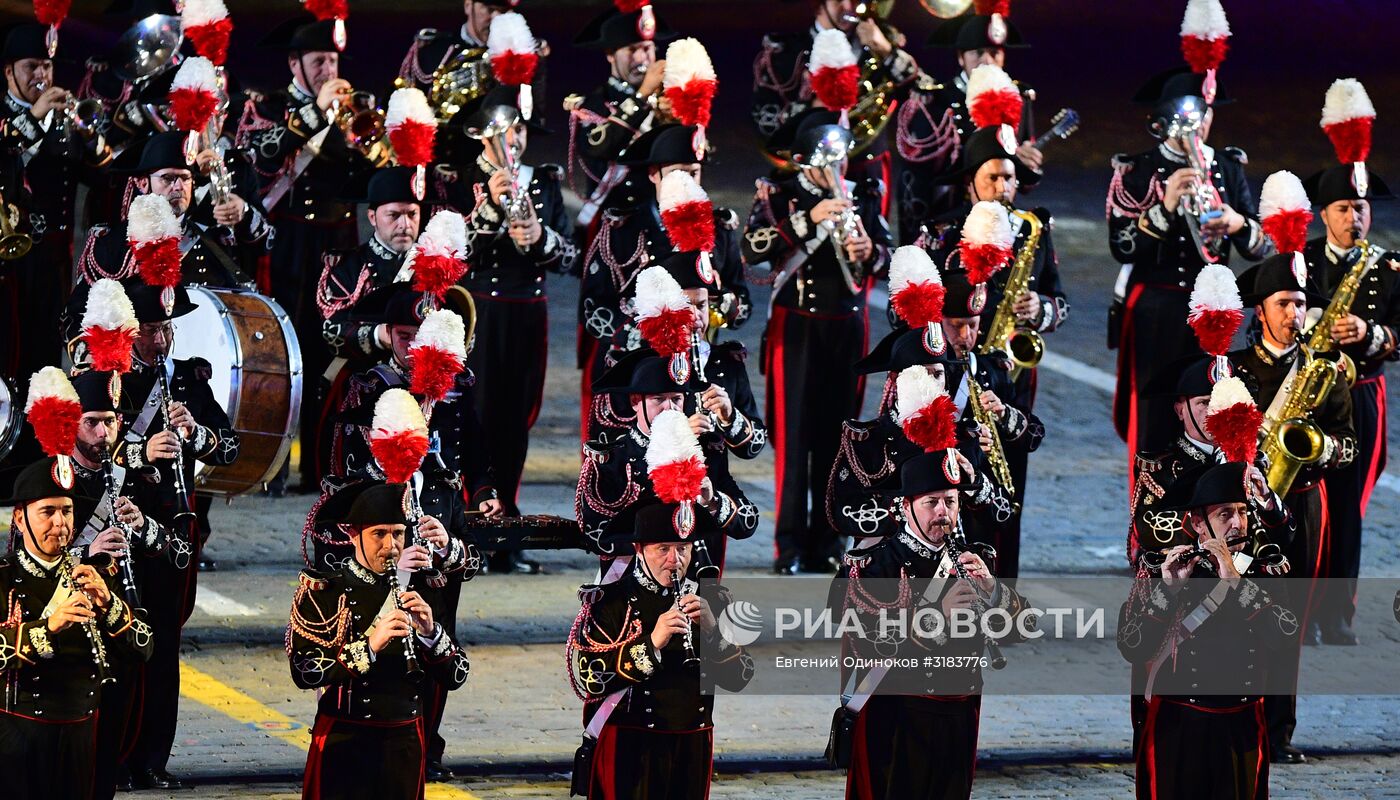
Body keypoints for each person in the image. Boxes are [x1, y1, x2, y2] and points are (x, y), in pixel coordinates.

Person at [101, 282, 240, 789]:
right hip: (123, 528)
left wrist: (195, 434)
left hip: (177, 534)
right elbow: (84, 452)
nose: (160, 340)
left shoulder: (186, 379)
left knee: (164, 644)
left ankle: (152, 757)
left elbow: (228, 447)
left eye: (166, 329)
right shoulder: (106, 379)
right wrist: (139, 452)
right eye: (150, 330)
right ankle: (112, 756)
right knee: (122, 641)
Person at [832, 448, 1029, 799]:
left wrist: (993, 591)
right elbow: (867, 644)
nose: (943, 513)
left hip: (960, 713)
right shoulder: (874, 564)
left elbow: (1023, 628)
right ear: (906, 506)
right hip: (897, 718)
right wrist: (936, 616)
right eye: (931, 502)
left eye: (951, 502)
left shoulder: (974, 557)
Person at [240, 15, 385, 493]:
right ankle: (272, 465)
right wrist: (313, 116)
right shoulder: (269, 106)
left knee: (332, 353)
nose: (328, 69)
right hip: (285, 244)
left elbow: (368, 177)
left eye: (334, 60)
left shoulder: (354, 109)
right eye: (319, 60)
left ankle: (322, 467)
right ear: (294, 63)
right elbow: (259, 157)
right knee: (282, 351)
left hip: (338, 245)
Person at [742, 108, 889, 574]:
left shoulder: (862, 194)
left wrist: (871, 252)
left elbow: (889, 253)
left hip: (847, 326)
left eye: (841, 159)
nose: (837, 169)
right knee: (794, 436)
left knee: (839, 438)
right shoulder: (779, 195)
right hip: (798, 327)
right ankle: (788, 547)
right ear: (806, 161)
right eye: (828, 159)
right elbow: (753, 249)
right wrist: (809, 219)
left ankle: (828, 541)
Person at [1229, 253, 1355, 763]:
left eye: (1301, 304)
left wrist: (1314, 446)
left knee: (1289, 618)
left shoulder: (1325, 372)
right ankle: (1234, 715)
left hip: (1303, 505)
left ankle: (1278, 729)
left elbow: (1348, 447)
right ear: (1260, 310)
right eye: (1283, 303)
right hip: (1242, 506)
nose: (1294, 314)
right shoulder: (1234, 370)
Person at [1106, 67, 1268, 462]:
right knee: (1156, 417)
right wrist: (1165, 208)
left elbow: (1259, 247)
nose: (1201, 123)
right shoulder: (1138, 169)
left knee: (1210, 409)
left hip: (1211, 309)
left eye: (1207, 112)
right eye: (1193, 113)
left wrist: (1237, 223)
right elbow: (1122, 246)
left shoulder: (1227, 167)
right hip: (1157, 310)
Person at [1117, 461, 1299, 798]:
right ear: (1199, 524)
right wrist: (1167, 592)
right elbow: (1133, 646)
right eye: (1224, 515)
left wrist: (1236, 582)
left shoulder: (1263, 571)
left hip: (1242, 726)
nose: (1236, 523)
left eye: (1242, 512)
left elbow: (1286, 639)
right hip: (1177, 725)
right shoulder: (1167, 568)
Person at [453, 85, 576, 572]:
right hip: (482, 312)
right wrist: (489, 210)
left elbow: (569, 256)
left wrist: (540, 236)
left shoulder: (543, 183)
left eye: (519, 129)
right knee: (476, 416)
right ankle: (472, 525)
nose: (513, 140)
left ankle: (506, 529)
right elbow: (451, 249)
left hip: (530, 311)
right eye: (504, 132)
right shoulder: (463, 181)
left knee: (516, 420)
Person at [288, 481, 470, 800]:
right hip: (345, 740)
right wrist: (370, 645)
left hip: (405, 742)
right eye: (379, 534)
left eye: (397, 534)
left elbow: (456, 675)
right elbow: (305, 671)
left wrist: (430, 634)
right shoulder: (325, 592)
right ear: (352, 534)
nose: (390, 546)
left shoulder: (420, 590)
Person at [566, 497, 754, 800]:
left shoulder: (712, 601)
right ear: (639, 550)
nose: (674, 560)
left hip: (692, 744)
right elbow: (590, 677)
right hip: (632, 744)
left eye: (683, 549)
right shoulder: (611, 601)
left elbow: (740, 677)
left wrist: (713, 630)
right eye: (662, 549)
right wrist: (651, 643)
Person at [0, 456, 154, 800]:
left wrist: (109, 605)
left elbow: (144, 647)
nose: (60, 524)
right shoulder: (3, 577)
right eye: (48, 512)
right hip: (17, 741)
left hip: (83, 739)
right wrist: (48, 627)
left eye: (67, 511)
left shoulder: (92, 575)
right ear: (20, 518)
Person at [579, 123, 750, 432]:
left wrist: (712, 305)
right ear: (653, 174)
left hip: (696, 376)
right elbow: (592, 311)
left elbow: (742, 304)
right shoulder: (624, 228)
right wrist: (655, 323)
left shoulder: (718, 230)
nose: (685, 181)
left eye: (693, 173)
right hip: (635, 376)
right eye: (676, 172)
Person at [65, 370, 178, 797]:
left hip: (119, 632)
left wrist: (142, 524)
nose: (103, 432)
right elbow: (27, 563)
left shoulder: (129, 478)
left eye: (110, 422)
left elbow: (169, 549)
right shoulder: (52, 482)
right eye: (92, 421)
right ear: (72, 421)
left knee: (110, 749)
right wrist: (90, 553)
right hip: (70, 635)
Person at [1299, 163, 1398, 646]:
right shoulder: (1301, 259)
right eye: (1343, 209)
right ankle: (1297, 607)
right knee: (1302, 502)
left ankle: (1337, 613)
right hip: (1308, 393)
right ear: (1324, 215)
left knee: (1347, 506)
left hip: (1359, 396)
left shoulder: (1389, 266)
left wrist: (1373, 333)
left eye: (1361, 209)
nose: (1354, 218)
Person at [579, 353, 759, 575]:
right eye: (658, 399)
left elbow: (747, 524)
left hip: (699, 586)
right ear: (636, 402)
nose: (670, 408)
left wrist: (712, 501)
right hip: (631, 589)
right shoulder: (613, 458)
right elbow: (595, 536)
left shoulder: (705, 453)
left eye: (676, 399)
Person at [0, 24, 111, 383]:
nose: (41, 75)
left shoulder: (64, 120)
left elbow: (98, 179)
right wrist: (34, 117)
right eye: (31, 66)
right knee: (7, 350)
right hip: (8, 261)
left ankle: (38, 432)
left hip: (53, 260)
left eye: (46, 67)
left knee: (46, 353)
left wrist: (91, 140)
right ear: (9, 72)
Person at [895, 6, 1039, 241]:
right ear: (961, 57)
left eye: (994, 52)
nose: (987, 60)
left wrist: (1027, 166)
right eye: (978, 52)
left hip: (996, 220)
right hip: (944, 222)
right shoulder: (935, 102)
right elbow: (916, 181)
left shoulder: (1018, 98)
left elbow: (1022, 182)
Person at [750, 0, 917, 192]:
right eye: (838, 1)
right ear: (819, 6)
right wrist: (812, 106)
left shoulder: (878, 44)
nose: (848, 7)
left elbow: (923, 93)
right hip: (807, 173)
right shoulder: (784, 52)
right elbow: (764, 121)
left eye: (854, 0)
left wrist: (887, 51)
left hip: (866, 170)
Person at [79, 131, 269, 288]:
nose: (178, 186)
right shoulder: (107, 246)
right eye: (168, 178)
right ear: (143, 183)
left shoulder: (215, 249)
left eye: (185, 178)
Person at [565, 2, 679, 231]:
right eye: (631, 49)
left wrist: (681, 117)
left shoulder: (667, 100)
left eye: (647, 48)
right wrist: (642, 96)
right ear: (610, 54)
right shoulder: (593, 105)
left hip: (660, 223)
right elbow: (601, 147)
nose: (641, 58)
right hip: (612, 226)